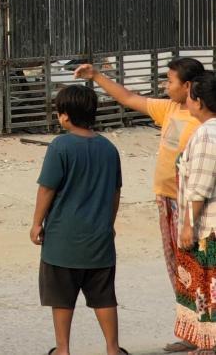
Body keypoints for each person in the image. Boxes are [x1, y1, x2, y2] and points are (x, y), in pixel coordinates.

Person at [78, 54, 207, 351]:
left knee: (200, 267)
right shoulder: (170, 109)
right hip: (167, 199)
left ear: (187, 86)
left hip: (194, 205)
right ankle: (190, 332)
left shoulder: (203, 119)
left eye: (170, 80)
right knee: (178, 268)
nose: (165, 85)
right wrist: (96, 76)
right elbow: (128, 97)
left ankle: (205, 333)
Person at [31, 83, 126, 355]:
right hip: (99, 238)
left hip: (63, 239)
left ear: (65, 115)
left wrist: (37, 223)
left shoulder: (60, 146)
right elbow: (115, 193)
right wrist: (108, 224)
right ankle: (112, 348)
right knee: (104, 296)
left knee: (62, 297)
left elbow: (47, 188)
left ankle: (63, 349)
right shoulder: (109, 149)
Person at [175, 74, 216, 349]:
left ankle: (210, 344)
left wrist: (188, 226)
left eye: (190, 96)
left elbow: (199, 188)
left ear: (198, 102)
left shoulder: (206, 134)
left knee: (207, 289)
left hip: (207, 229)